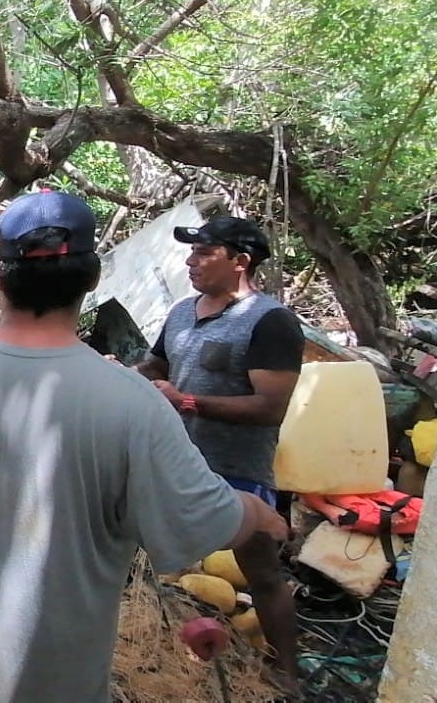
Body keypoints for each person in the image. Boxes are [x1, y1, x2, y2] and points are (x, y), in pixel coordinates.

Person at [0, 191, 291, 703]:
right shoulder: (135, 406)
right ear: (93, 280)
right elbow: (199, 521)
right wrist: (255, 510)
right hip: (50, 681)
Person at [132, 215, 305, 689]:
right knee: (145, 559)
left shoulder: (270, 322)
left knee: (262, 571)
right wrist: (122, 375)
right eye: (192, 252)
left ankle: (286, 675)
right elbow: (156, 366)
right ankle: (149, 646)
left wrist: (186, 401)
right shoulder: (183, 313)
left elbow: (271, 408)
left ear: (240, 261)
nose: (191, 261)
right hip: (177, 462)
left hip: (237, 467)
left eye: (205, 253)